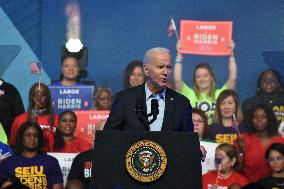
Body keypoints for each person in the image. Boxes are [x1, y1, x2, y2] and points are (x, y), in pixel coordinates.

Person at [104, 47, 193, 132]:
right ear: (146, 70)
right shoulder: (125, 99)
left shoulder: (182, 103)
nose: (165, 72)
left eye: (169, 67)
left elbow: (187, 141)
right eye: (160, 67)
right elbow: (109, 137)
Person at [174, 40, 237, 125]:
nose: (202, 79)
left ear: (211, 78)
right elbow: (177, 80)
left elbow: (233, 78)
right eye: (198, 76)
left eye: (205, 76)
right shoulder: (189, 93)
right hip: (194, 133)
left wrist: (231, 55)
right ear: (195, 79)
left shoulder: (220, 94)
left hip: (214, 135)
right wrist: (179, 56)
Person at [0, 122, 63, 189]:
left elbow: (58, 186)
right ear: (21, 137)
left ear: (39, 139)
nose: (32, 138)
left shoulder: (51, 161)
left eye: (36, 135)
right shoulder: (7, 162)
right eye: (28, 135)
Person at [237, 103, 284, 183]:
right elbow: (236, 170)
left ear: (269, 119)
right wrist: (240, 152)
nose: (259, 120)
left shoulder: (279, 140)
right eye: (255, 117)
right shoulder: (243, 139)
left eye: (263, 117)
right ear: (251, 119)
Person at [9, 82, 58, 152]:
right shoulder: (19, 120)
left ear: (48, 98)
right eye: (36, 95)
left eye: (43, 95)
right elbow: (13, 144)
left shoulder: (57, 119)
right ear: (31, 97)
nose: (39, 98)